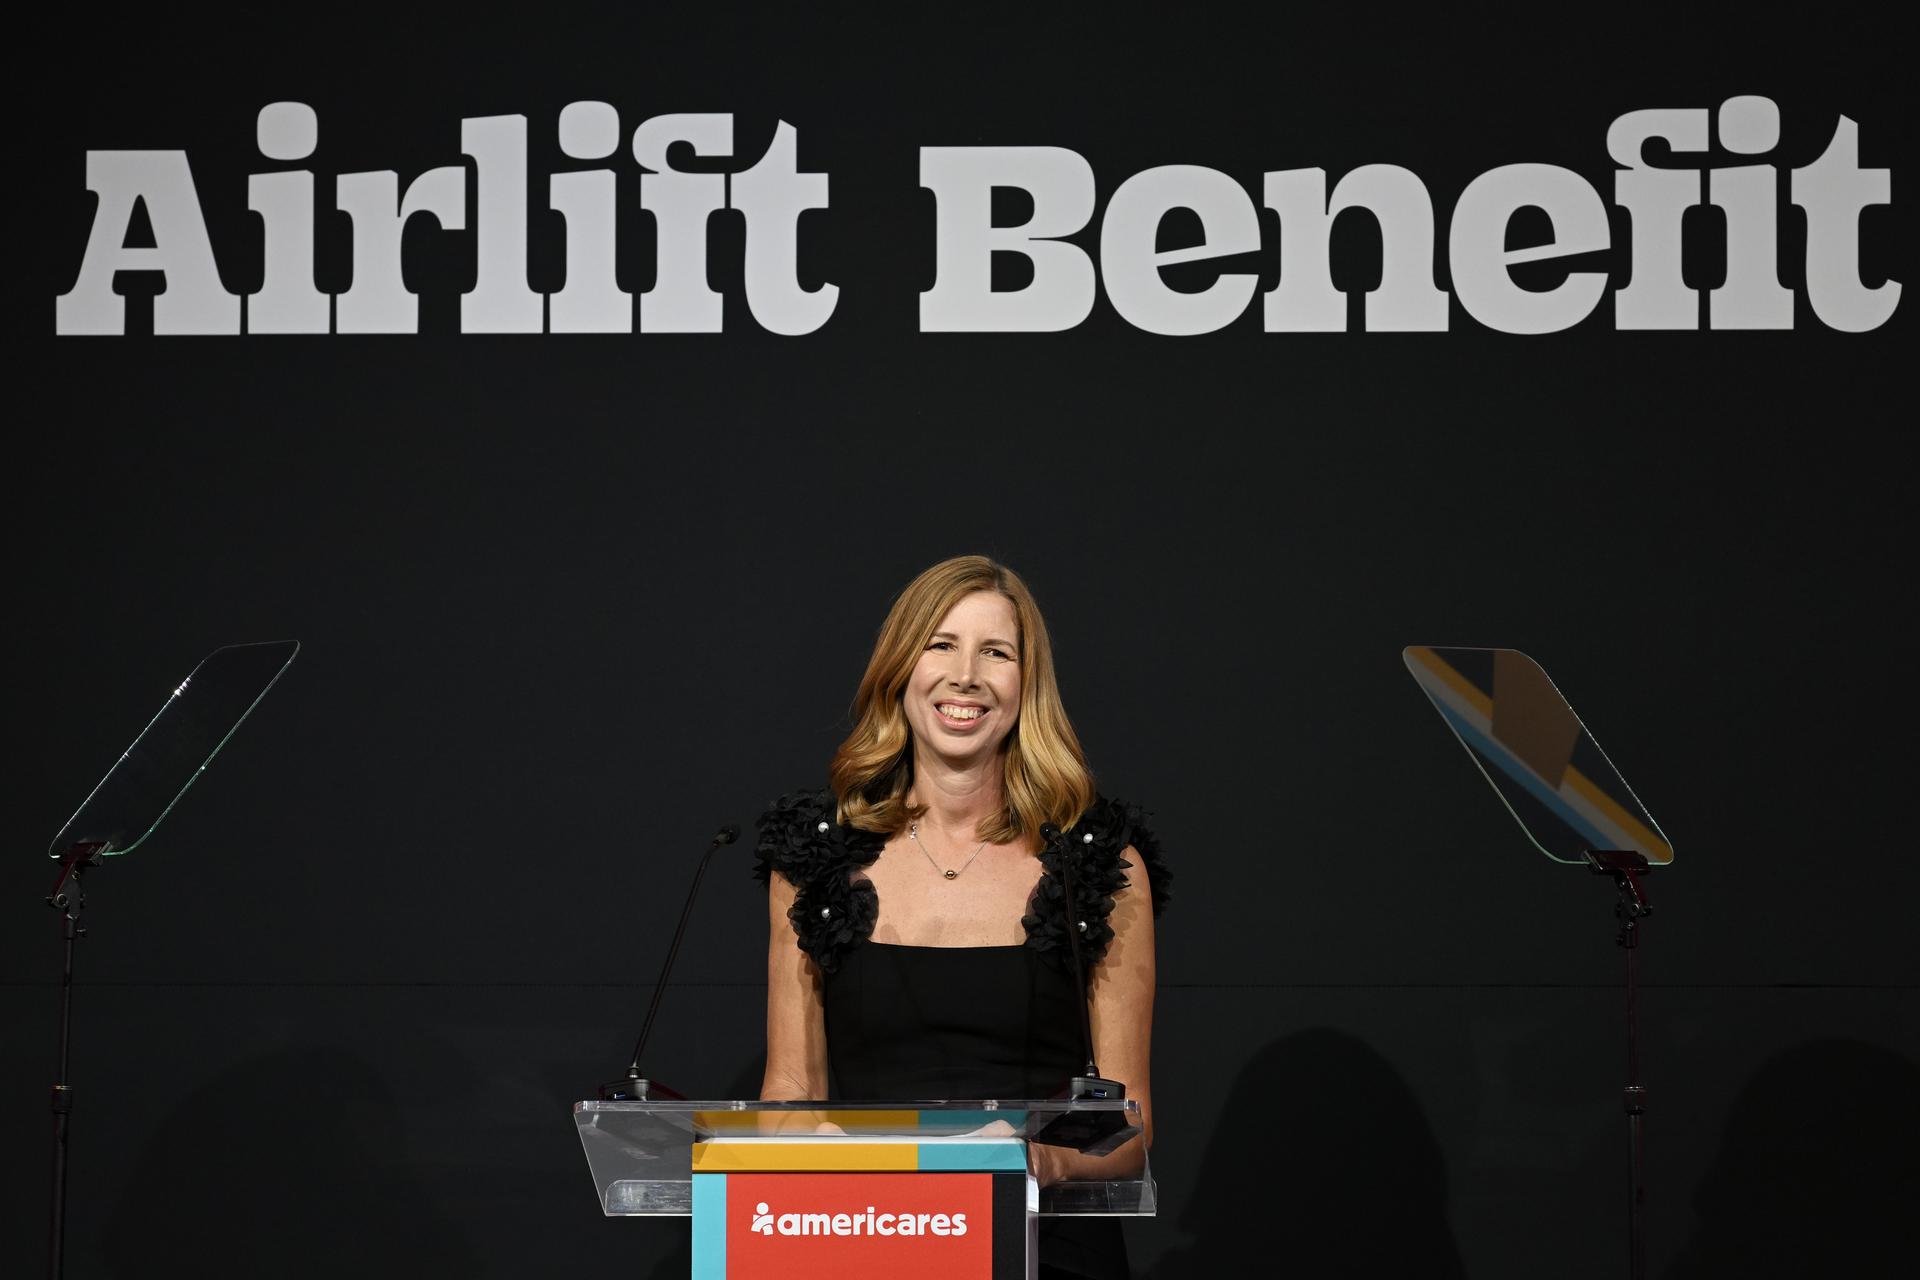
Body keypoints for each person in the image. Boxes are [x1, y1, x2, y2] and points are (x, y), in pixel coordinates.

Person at [756, 554, 1170, 1280]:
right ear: (901, 667)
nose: (966, 675)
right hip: (864, 1239)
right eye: (941, 644)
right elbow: (786, 1096)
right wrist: (835, 1151)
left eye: (996, 652)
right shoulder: (812, 857)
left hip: (1047, 1246)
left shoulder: (1098, 863)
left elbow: (1129, 1126)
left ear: (1024, 685)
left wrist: (1041, 1159)